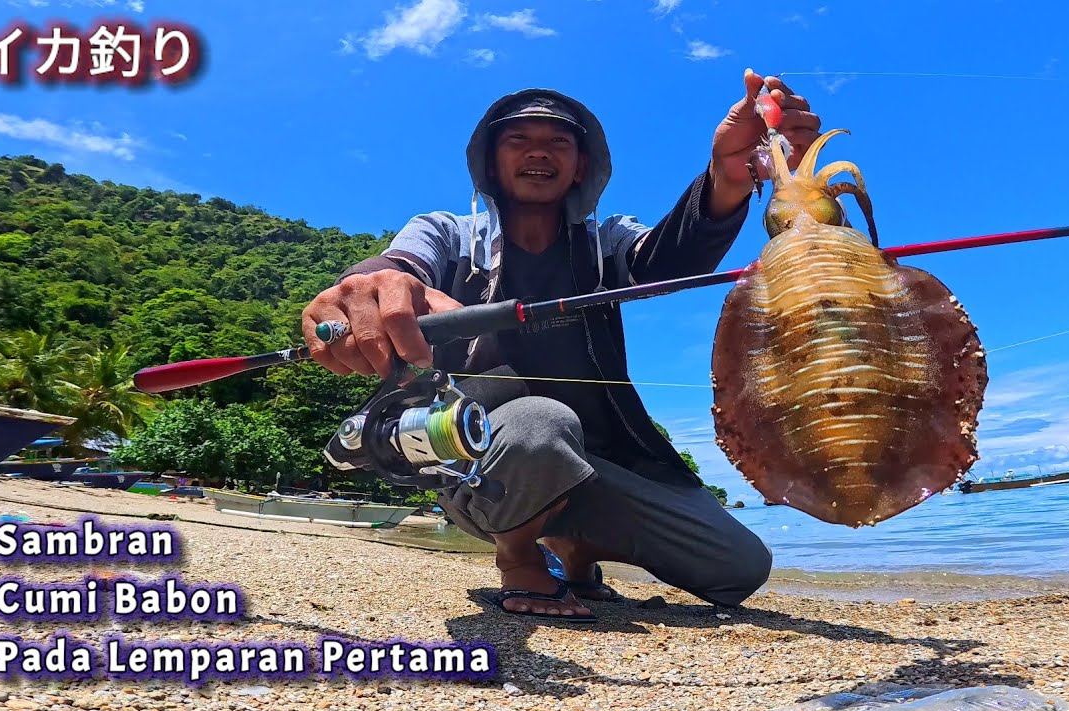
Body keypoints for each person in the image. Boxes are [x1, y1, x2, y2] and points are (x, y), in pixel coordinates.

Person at [301, 69, 822, 622]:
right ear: (491, 162)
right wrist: (372, 285)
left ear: (581, 167)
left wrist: (726, 175)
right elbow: (398, 265)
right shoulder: (445, 232)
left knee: (739, 567)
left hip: (604, 461)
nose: (539, 153)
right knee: (540, 423)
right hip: (483, 462)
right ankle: (519, 556)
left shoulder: (607, 242)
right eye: (518, 140)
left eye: (559, 143)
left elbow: (670, 260)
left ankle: (576, 550)